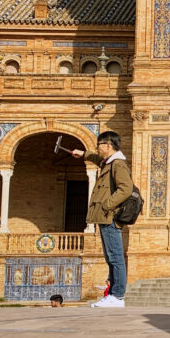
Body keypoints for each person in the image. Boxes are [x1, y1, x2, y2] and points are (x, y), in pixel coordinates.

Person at [71, 131, 134, 308]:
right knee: (110, 257)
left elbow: (126, 189)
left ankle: (118, 296)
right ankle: (113, 294)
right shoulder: (108, 163)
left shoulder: (118, 164)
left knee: (116, 257)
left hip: (110, 217)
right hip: (105, 218)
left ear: (108, 145)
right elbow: (97, 160)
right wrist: (83, 154)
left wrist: (107, 205)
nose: (97, 148)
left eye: (99, 145)